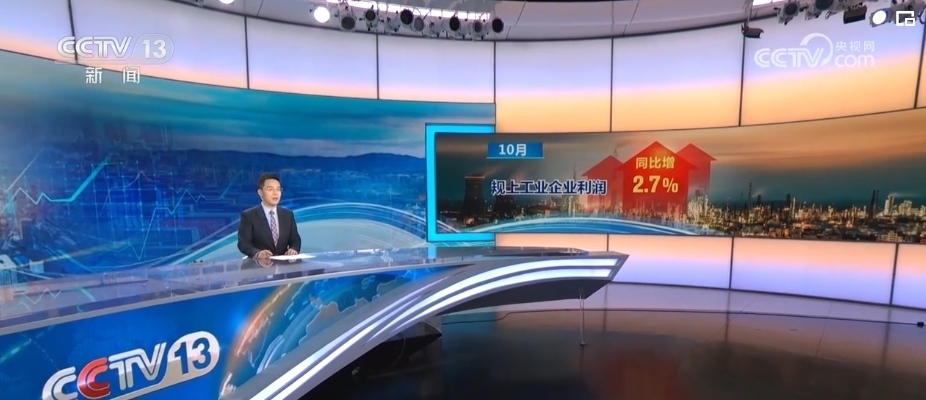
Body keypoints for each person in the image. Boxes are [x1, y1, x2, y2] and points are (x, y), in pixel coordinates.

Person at [237, 173, 302, 259]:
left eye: (278, 189)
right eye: (270, 189)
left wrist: (293, 249)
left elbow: (295, 240)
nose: (275, 193)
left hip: (284, 264)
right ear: (260, 192)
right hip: (259, 264)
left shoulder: (287, 214)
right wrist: (257, 253)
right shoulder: (249, 216)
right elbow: (243, 243)